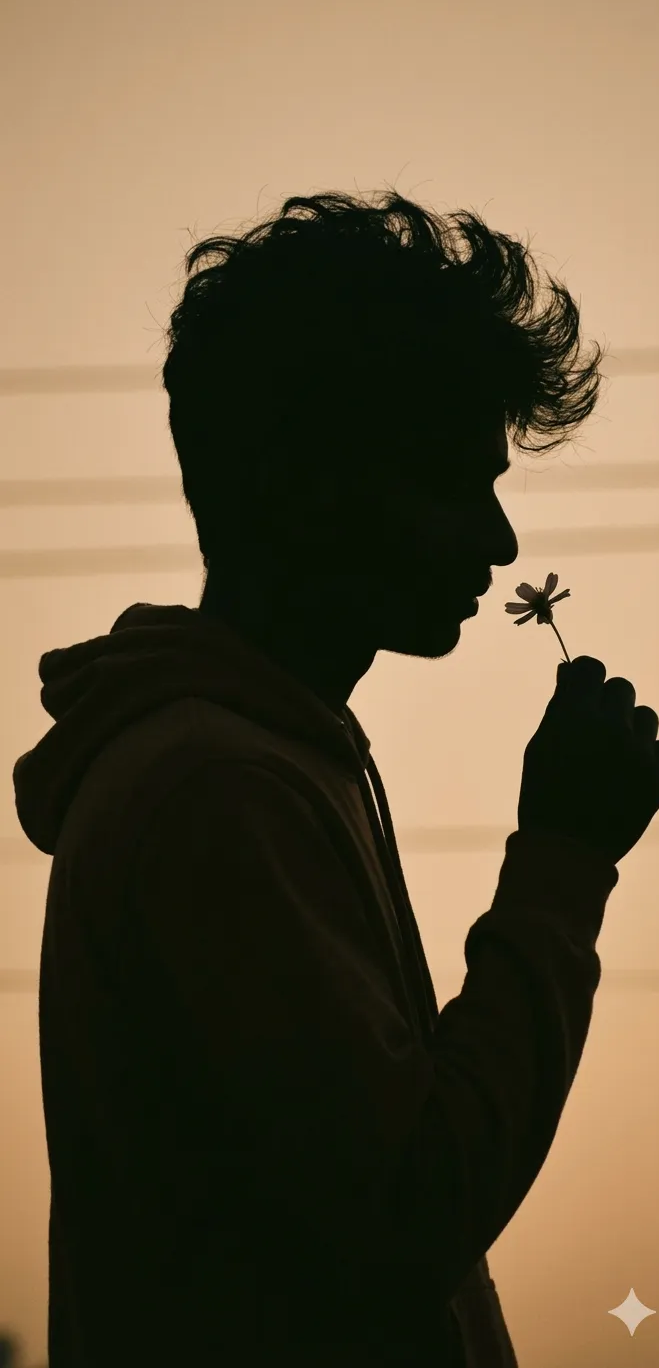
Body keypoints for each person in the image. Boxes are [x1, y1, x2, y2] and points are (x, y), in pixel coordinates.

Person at [14, 188, 617, 1367]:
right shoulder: (220, 795)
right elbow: (405, 1208)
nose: (498, 546)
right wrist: (563, 858)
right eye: (455, 479)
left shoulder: (264, 757)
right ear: (313, 482)